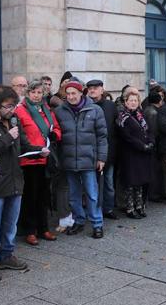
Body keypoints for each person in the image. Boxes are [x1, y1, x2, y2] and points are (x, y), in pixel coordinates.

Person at [0, 85, 48, 282]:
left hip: (16, 179)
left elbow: (22, 143)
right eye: (8, 106)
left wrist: (39, 149)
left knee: (10, 223)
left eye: (14, 105)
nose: (12, 110)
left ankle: (7, 254)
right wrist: (8, 137)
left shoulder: (14, 120)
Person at [55, 80, 108, 238]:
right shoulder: (59, 111)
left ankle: (97, 224)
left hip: (89, 159)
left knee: (92, 194)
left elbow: (102, 136)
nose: (71, 97)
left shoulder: (95, 110)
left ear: (80, 93)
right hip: (69, 159)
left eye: (74, 93)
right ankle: (78, 220)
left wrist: (102, 158)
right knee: (73, 195)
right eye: (68, 94)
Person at [15, 80, 62, 246]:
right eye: (33, 92)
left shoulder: (46, 109)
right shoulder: (20, 110)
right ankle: (30, 230)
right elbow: (20, 135)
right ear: (28, 93)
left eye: (39, 93)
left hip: (45, 158)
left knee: (44, 195)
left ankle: (44, 228)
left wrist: (55, 135)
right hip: (30, 159)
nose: (36, 95)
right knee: (30, 196)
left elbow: (55, 127)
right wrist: (34, 147)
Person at [117, 90, 155, 217]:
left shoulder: (141, 115)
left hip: (143, 153)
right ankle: (130, 208)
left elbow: (148, 130)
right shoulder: (122, 117)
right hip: (130, 153)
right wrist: (142, 146)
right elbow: (127, 137)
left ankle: (139, 205)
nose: (133, 103)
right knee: (131, 182)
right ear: (126, 102)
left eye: (135, 100)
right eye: (131, 100)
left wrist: (150, 142)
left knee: (140, 181)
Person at [86, 79, 119, 220]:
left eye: (95, 88)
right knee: (91, 185)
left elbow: (116, 128)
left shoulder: (111, 106)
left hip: (108, 152)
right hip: (89, 153)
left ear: (102, 89)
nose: (92, 90)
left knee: (109, 184)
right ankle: (92, 210)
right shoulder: (85, 105)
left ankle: (108, 209)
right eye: (90, 88)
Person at [143, 91, 165, 202]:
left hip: (150, 144)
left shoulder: (147, 110)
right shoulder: (153, 113)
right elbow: (154, 131)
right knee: (155, 170)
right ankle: (154, 194)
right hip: (154, 145)